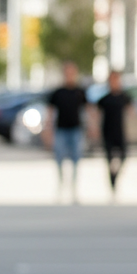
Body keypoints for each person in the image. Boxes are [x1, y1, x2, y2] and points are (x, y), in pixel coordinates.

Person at [46, 61, 89, 201]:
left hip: (76, 129)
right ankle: (60, 185)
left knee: (76, 159)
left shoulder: (80, 92)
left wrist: (92, 127)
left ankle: (74, 188)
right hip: (61, 130)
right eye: (67, 72)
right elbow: (50, 112)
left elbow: (88, 110)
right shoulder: (58, 92)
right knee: (59, 158)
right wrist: (47, 129)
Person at [96, 70, 132, 196]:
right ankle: (112, 183)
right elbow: (97, 114)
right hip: (107, 132)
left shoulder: (124, 97)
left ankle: (115, 177)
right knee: (110, 159)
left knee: (123, 156)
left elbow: (131, 111)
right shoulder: (105, 99)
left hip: (120, 132)